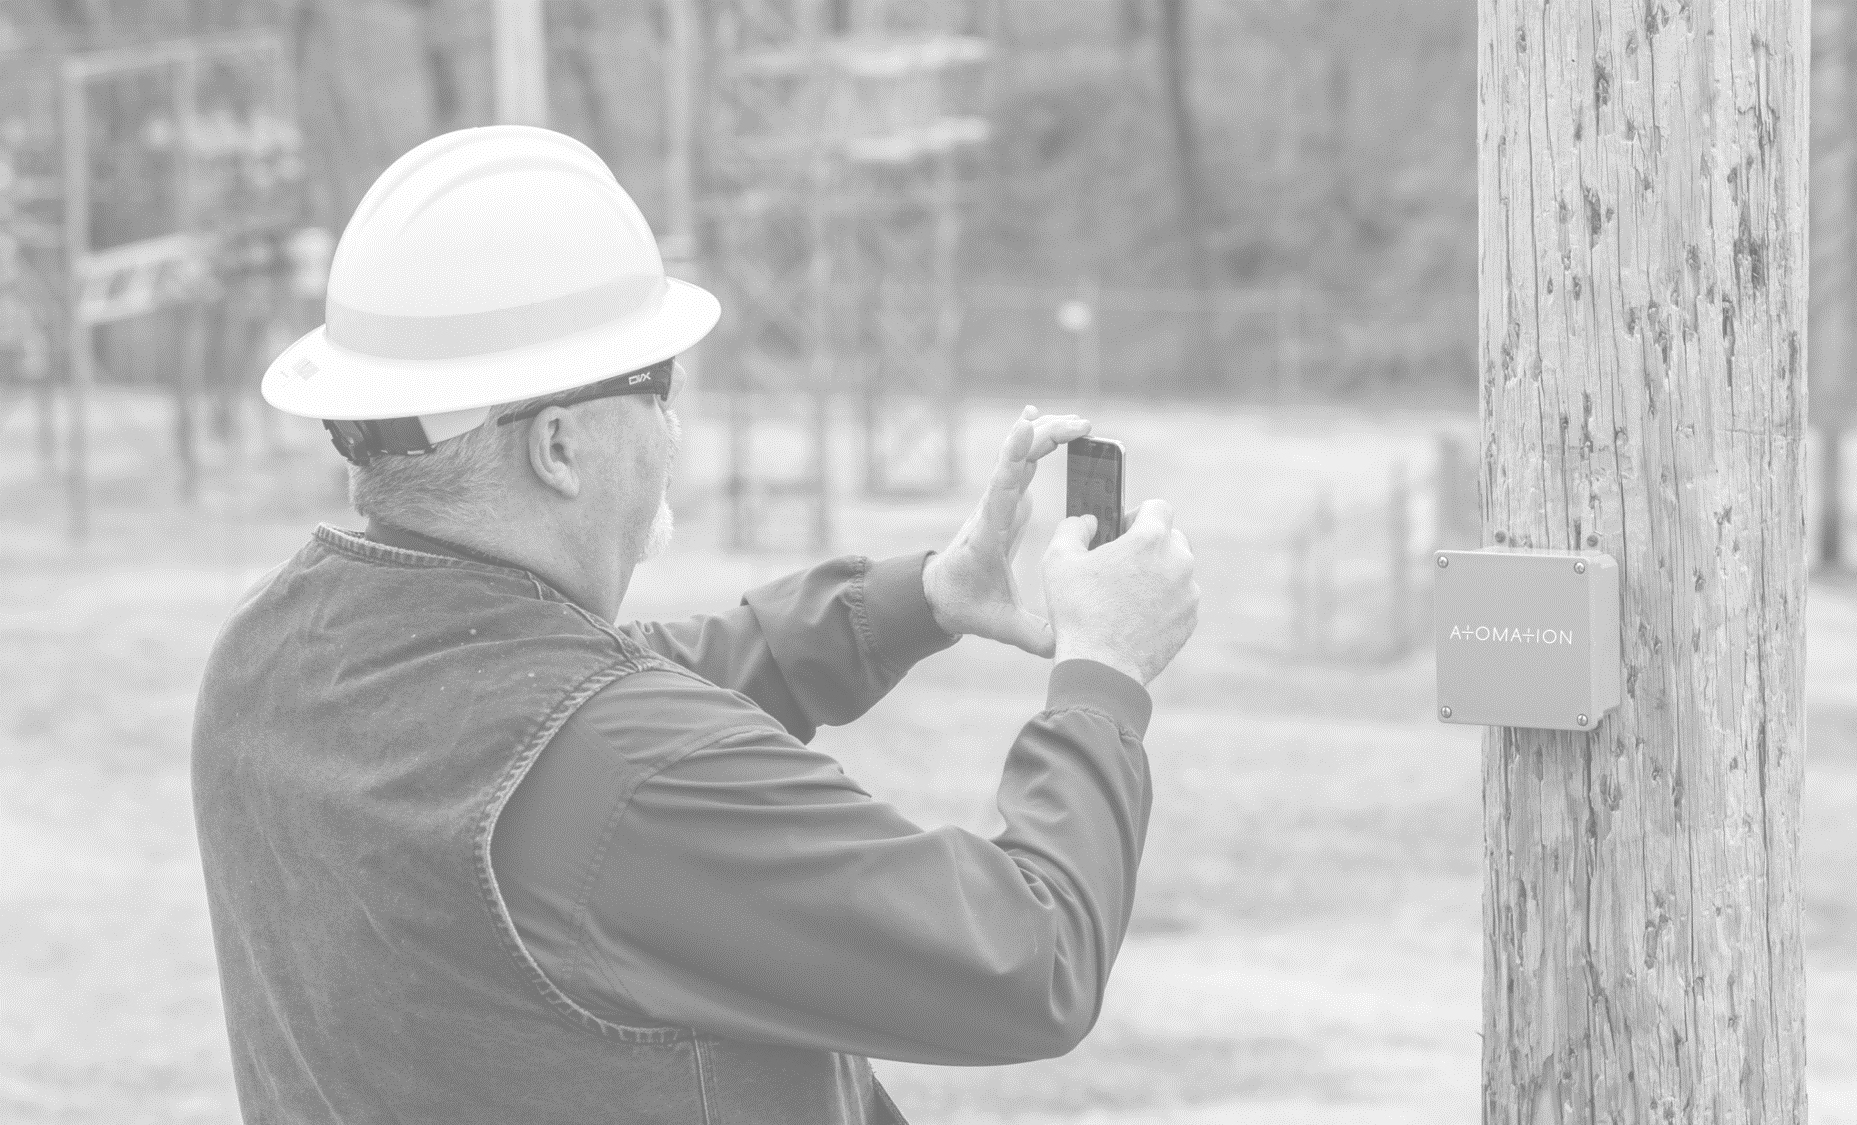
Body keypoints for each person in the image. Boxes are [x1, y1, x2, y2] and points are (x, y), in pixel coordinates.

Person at [190, 126, 1199, 1125]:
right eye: (656, 386)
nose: (674, 428)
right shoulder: (627, 773)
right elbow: (1027, 960)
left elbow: (604, 690)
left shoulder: (271, 654)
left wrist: (924, 597)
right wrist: (1103, 677)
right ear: (557, 447)